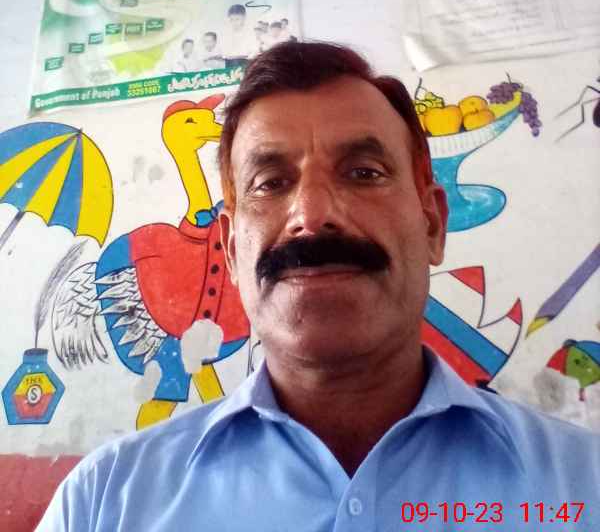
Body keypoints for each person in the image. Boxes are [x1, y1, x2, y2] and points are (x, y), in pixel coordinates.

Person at [37, 41, 600, 531]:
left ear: (432, 225)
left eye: (364, 173)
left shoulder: (584, 485)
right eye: (270, 183)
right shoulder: (102, 503)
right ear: (231, 250)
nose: (312, 215)